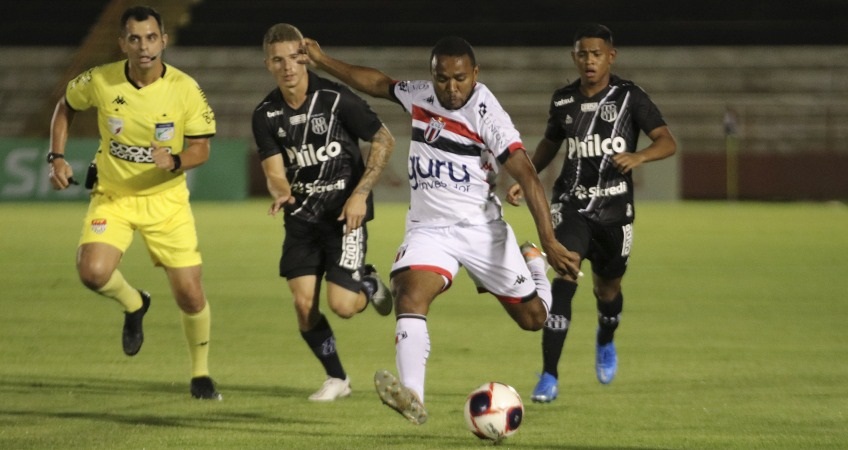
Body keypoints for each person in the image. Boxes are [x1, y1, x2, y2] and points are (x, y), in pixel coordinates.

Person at [303, 36, 582, 423]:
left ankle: (532, 262)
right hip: (429, 230)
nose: (451, 88)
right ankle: (413, 396)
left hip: (481, 230)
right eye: (442, 78)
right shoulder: (421, 96)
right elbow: (378, 83)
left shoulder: (488, 115)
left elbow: (529, 177)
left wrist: (549, 242)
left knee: (533, 320)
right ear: (432, 75)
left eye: (460, 79)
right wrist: (322, 61)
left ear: (475, 74)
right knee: (409, 297)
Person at [48, 5, 221, 400]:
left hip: (166, 202)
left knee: (191, 295)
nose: (144, 46)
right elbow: (65, 107)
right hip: (114, 197)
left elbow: (202, 148)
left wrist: (175, 160)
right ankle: (134, 304)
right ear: (122, 42)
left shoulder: (185, 89)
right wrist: (56, 157)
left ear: (164, 39)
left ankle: (201, 374)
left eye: (151, 37)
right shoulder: (101, 80)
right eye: (135, 38)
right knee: (91, 272)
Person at [506, 23, 678, 402]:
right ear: (574, 57)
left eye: (596, 54)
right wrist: (526, 175)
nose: (589, 61)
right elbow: (551, 144)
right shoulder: (564, 101)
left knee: (607, 289)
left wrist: (639, 155)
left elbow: (667, 141)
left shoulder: (629, 97)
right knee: (564, 277)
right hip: (571, 205)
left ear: (610, 57)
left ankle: (606, 336)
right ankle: (549, 376)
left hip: (616, 213)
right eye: (582, 54)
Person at [252, 24, 396, 402]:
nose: (288, 67)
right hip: (301, 222)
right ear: (268, 64)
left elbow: (384, 138)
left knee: (342, 306)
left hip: (344, 218)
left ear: (305, 57)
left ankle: (366, 283)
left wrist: (361, 194)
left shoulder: (334, 98)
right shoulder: (266, 114)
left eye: (295, 58)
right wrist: (281, 192)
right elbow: (273, 171)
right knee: (303, 305)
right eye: (278, 60)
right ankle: (337, 379)